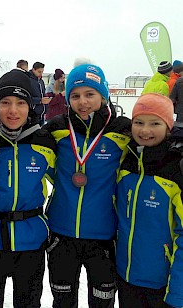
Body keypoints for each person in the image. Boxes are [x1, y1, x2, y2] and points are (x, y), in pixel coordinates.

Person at [0, 69, 56, 307]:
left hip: (32, 242)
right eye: (5, 102)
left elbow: (70, 182)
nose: (13, 110)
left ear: (30, 107)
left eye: (20, 103)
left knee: (28, 303)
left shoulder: (44, 143)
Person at [43, 63, 131, 308]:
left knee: (102, 303)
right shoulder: (57, 128)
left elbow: (152, 142)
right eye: (75, 95)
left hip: (104, 235)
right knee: (62, 301)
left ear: (103, 95)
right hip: (62, 233)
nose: (83, 102)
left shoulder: (122, 131)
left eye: (90, 94)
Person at [116, 93, 183, 308]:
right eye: (138, 122)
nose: (145, 131)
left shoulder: (175, 171)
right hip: (126, 277)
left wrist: (177, 294)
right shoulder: (126, 164)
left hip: (162, 285)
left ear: (168, 127)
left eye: (155, 123)